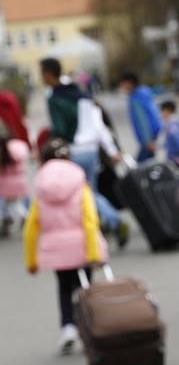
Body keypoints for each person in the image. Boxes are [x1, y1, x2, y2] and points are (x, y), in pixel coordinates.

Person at [23, 138, 107, 354]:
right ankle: (91, 326)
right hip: (82, 246)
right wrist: (94, 251)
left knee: (64, 287)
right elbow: (90, 219)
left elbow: (31, 226)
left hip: (57, 248)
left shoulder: (41, 187)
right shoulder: (79, 182)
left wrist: (32, 260)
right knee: (86, 288)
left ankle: (68, 326)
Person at [40, 58, 129, 248]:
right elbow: (99, 125)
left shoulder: (55, 98)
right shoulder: (80, 93)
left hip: (74, 150)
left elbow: (60, 129)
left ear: (48, 73)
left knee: (83, 192)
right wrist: (112, 149)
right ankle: (99, 229)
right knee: (91, 190)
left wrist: (51, 147)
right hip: (92, 150)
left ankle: (113, 221)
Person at [119, 72, 161, 163]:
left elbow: (142, 120)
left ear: (130, 82)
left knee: (141, 167)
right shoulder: (145, 91)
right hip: (154, 132)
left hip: (148, 137)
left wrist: (148, 141)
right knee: (149, 163)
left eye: (123, 83)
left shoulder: (135, 98)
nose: (122, 85)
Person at [0, 128, 30, 236]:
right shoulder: (20, 147)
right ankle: (20, 218)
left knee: (7, 205)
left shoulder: (3, 150)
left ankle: (12, 219)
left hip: (4, 185)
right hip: (20, 182)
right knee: (14, 204)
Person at [159, 100, 179, 167]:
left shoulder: (171, 125)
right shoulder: (176, 121)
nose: (161, 114)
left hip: (176, 161)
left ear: (167, 110)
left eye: (162, 111)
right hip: (176, 159)